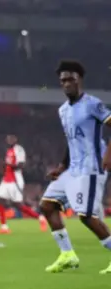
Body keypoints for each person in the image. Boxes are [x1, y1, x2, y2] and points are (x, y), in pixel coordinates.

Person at [40, 60, 111, 274]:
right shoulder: (63, 110)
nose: (66, 83)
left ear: (79, 79)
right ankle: (67, 254)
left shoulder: (93, 104)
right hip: (73, 170)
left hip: (91, 168)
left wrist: (108, 153)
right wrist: (62, 167)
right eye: (63, 80)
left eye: (70, 79)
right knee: (47, 205)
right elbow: (71, 142)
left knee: (87, 216)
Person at [0, 134, 47, 234]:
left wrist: (8, 165)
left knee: (18, 205)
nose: (9, 140)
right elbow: (7, 166)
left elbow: (21, 165)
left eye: (11, 138)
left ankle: (40, 218)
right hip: (6, 179)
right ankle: (4, 227)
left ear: (15, 139)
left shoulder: (19, 149)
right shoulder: (8, 151)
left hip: (15, 180)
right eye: (7, 139)